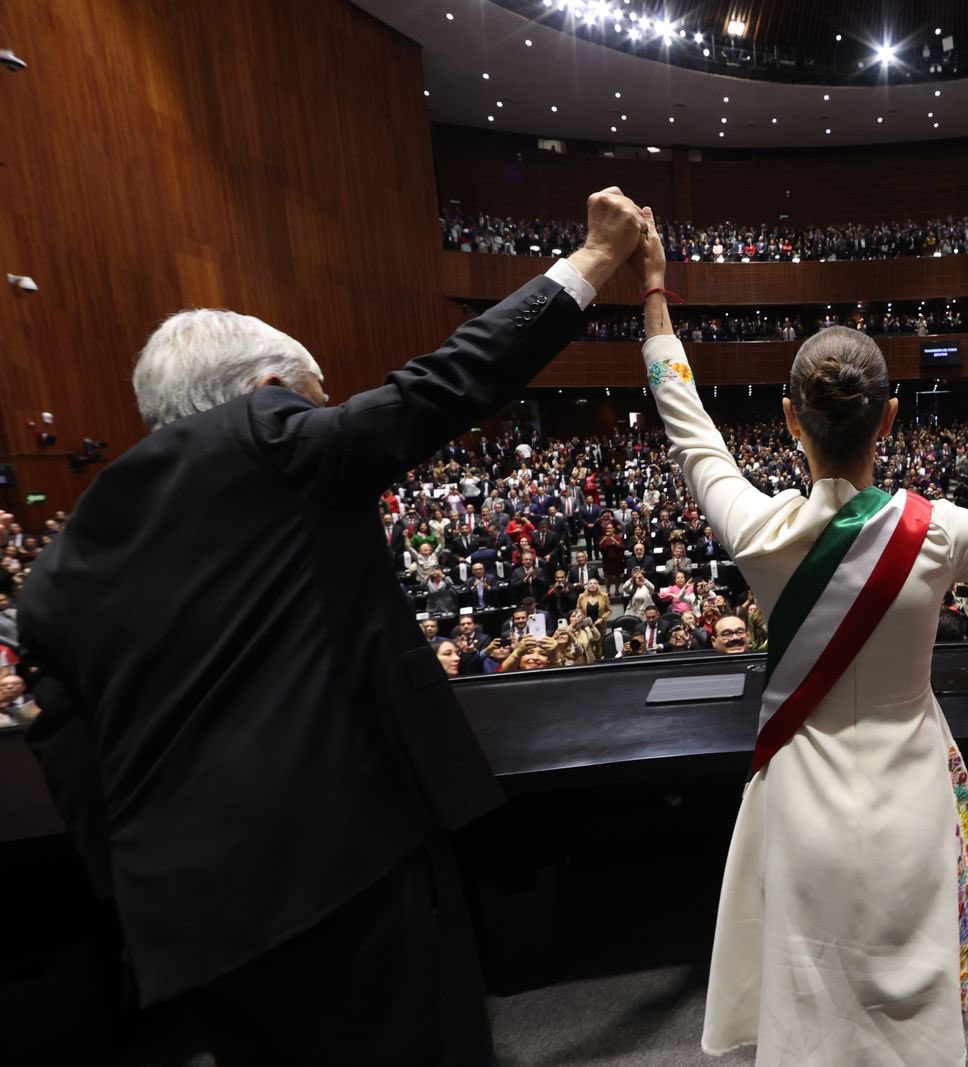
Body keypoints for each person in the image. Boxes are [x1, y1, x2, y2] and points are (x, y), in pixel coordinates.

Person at [17, 186, 649, 1063]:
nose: (331, 415)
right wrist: (592, 263)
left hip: (190, 920)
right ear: (269, 392)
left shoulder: (64, 560)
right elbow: (441, 387)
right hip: (339, 873)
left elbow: (74, 761)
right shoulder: (263, 440)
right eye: (320, 400)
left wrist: (143, 891)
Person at [631, 206, 968, 1063]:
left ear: (789, 418)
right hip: (914, 794)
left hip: (798, 798)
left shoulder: (755, 527)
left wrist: (654, 289)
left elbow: (684, 417)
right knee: (907, 1001)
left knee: (808, 990)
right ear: (888, 419)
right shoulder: (942, 531)